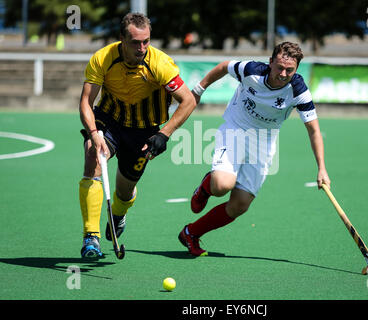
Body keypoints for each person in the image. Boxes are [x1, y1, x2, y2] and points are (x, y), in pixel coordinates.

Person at [178, 42, 330, 256]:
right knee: (222, 185)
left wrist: (321, 168)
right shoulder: (251, 71)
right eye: (279, 67)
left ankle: (190, 233)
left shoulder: (298, 90)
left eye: (290, 70)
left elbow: (314, 130)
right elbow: (223, 67)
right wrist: (199, 89)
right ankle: (206, 188)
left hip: (264, 142)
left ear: (296, 69)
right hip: (235, 129)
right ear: (270, 62)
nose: (283, 74)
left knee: (239, 205)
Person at [78, 13, 196, 258]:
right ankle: (91, 237)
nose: (142, 48)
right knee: (93, 153)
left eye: (146, 41)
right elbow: (86, 103)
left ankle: (118, 215)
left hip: (145, 130)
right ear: (121, 38)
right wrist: (93, 133)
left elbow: (188, 101)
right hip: (110, 120)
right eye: (135, 42)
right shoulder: (103, 58)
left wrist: (164, 134)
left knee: (125, 190)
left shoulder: (160, 64)